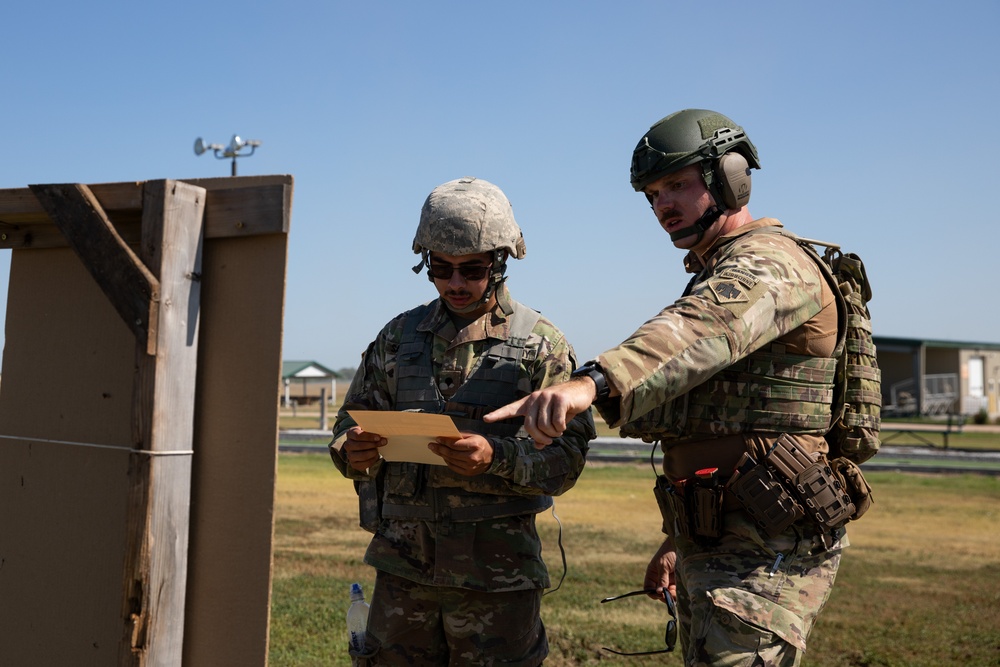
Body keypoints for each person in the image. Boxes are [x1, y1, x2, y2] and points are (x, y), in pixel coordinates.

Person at [486, 109, 867, 666]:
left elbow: (694, 331)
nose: (663, 204)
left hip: (766, 543)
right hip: (721, 532)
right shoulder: (723, 266)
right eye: (653, 193)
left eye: (678, 185)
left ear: (729, 178)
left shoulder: (769, 266)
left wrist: (589, 384)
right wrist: (679, 540)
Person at [330, 176, 595, 666]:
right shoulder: (397, 337)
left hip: (496, 579)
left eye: (471, 269)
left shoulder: (542, 346)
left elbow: (568, 458)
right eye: (441, 268)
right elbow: (347, 421)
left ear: (500, 263)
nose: (455, 283)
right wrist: (351, 448)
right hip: (404, 572)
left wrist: (498, 457)